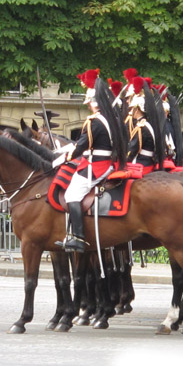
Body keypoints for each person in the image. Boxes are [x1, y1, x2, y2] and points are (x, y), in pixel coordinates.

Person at [55, 70, 117, 252]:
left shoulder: (94, 122)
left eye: (89, 102)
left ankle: (79, 237)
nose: (88, 106)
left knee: (71, 195)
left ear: (93, 102)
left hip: (97, 165)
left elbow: (81, 146)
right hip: (104, 163)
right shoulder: (109, 119)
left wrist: (65, 157)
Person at [126, 77, 157, 175]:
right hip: (147, 161)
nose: (131, 111)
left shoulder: (141, 127)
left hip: (142, 163)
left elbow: (132, 150)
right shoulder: (146, 124)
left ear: (137, 109)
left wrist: (123, 160)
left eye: (132, 108)